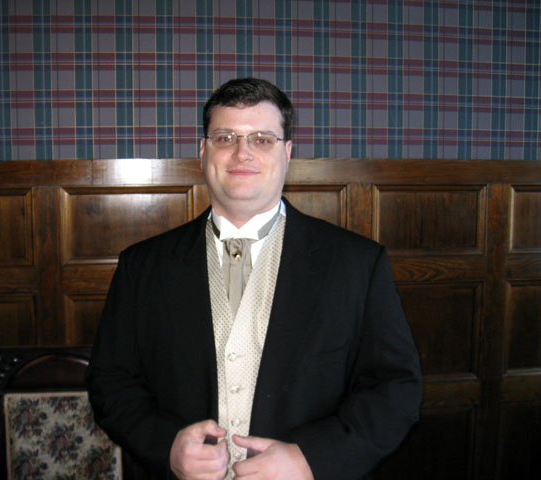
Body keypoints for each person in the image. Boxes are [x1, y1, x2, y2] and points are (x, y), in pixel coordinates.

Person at [86, 77, 422, 480]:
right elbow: (110, 382)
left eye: (262, 139)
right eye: (225, 137)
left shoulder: (358, 264)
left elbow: (395, 388)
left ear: (287, 152)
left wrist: (311, 459)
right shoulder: (141, 267)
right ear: (203, 151)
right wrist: (166, 446)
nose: (242, 152)